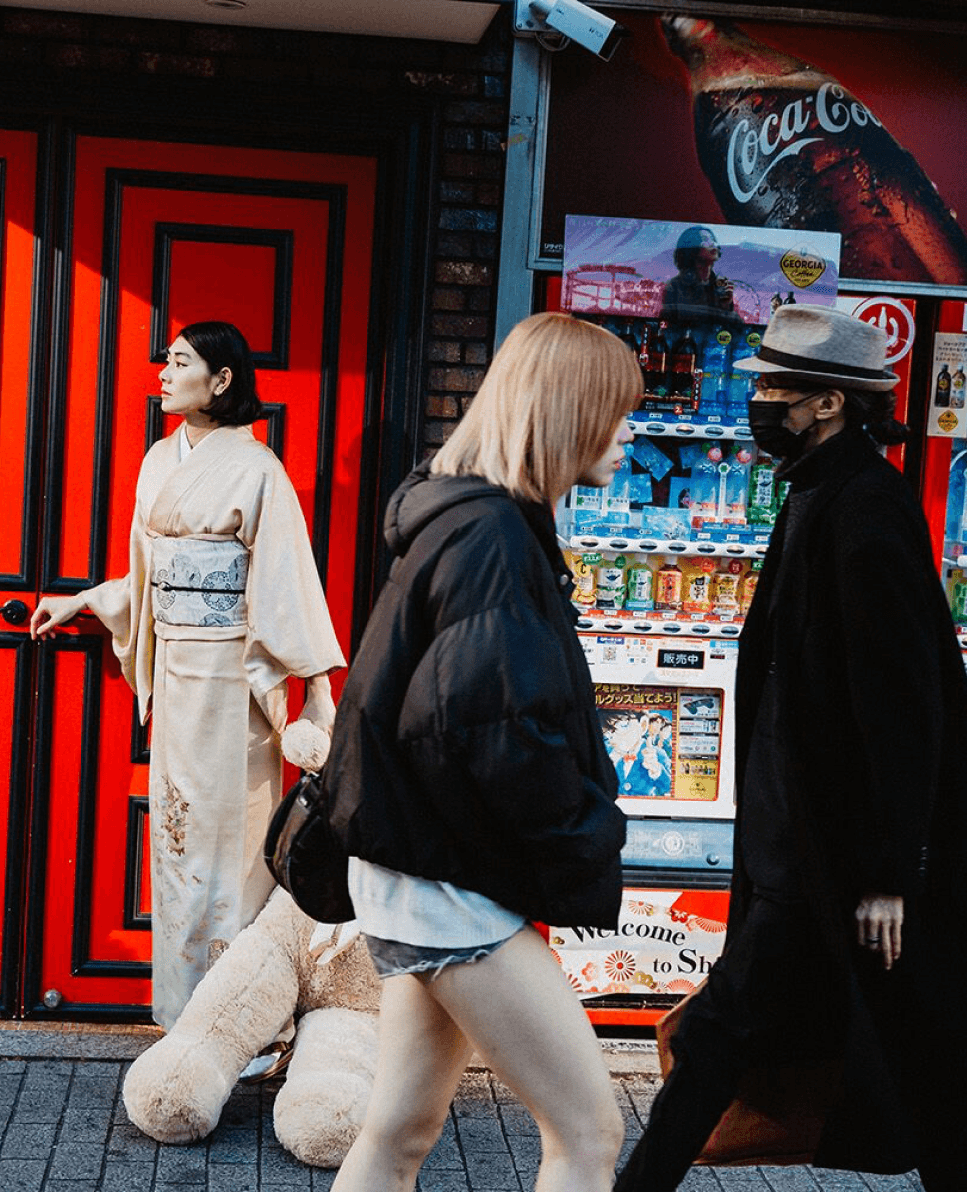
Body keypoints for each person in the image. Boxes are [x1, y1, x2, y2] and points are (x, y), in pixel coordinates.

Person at [615, 306, 967, 1192]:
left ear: (828, 403)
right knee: (909, 1052)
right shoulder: (820, 490)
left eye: (772, 388)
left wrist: (890, 875)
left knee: (721, 1037)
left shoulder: (864, 509)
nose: (758, 402)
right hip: (803, 839)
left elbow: (901, 707)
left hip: (824, 852)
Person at [325, 312, 640, 1192]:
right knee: (589, 1132)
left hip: (419, 869)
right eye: (617, 412)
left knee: (400, 1131)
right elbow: (484, 728)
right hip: (449, 889)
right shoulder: (493, 538)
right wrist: (585, 835)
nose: (629, 433)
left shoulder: (469, 519)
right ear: (569, 412)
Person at [29, 320, 345, 1032]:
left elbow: (288, 582)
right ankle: (183, 1018)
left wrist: (318, 692)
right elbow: (149, 577)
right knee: (177, 846)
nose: (164, 376)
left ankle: (247, 1026)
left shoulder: (259, 470)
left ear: (221, 379)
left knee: (238, 854)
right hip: (176, 671)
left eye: (179, 363)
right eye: (166, 363)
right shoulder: (158, 459)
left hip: (233, 685)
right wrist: (85, 600)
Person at [658, 225, 740, 329]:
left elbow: (732, 326)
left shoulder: (721, 287)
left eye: (713, 240)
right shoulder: (675, 286)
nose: (713, 244)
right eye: (705, 240)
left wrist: (726, 309)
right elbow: (668, 323)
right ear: (691, 249)